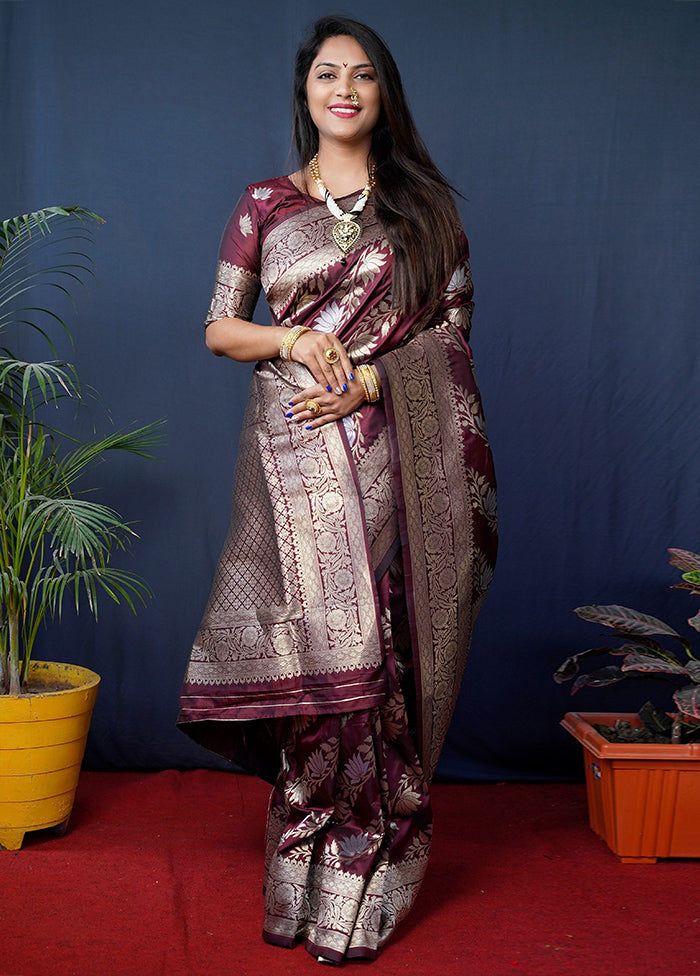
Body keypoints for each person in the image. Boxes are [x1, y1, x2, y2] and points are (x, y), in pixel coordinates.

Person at [178, 14, 497, 964]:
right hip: (286, 458)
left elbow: (452, 337)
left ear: (383, 92)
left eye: (362, 75)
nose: (344, 89)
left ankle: (372, 861)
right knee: (315, 661)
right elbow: (218, 329)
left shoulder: (427, 211)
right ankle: (304, 854)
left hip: (393, 452)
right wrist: (295, 340)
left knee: (378, 649)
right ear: (306, 92)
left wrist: (368, 379)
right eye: (327, 74)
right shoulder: (264, 205)